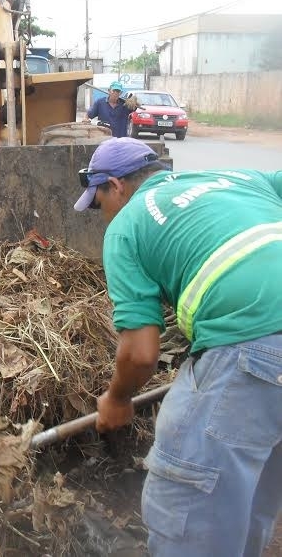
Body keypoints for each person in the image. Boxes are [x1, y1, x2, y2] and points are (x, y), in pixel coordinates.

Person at [73, 137, 282, 557]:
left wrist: (117, 399)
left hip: (252, 342)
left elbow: (140, 352)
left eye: (97, 204)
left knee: (188, 501)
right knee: (252, 487)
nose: (102, 217)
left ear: (116, 186)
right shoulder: (237, 177)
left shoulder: (129, 225)